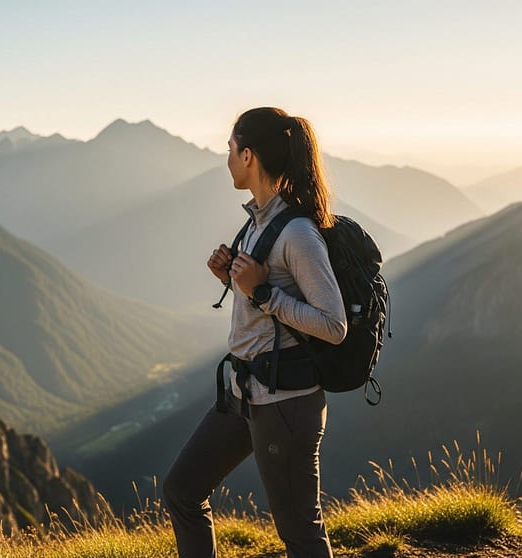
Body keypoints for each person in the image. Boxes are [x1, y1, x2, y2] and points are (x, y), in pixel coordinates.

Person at [161, 107, 348, 558]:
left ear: (249, 155)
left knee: (300, 534)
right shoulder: (259, 219)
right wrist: (233, 280)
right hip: (245, 392)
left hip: (285, 403)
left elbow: (334, 325)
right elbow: (263, 296)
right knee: (182, 490)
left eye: (229, 149)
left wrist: (261, 292)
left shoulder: (298, 232)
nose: (226, 158)